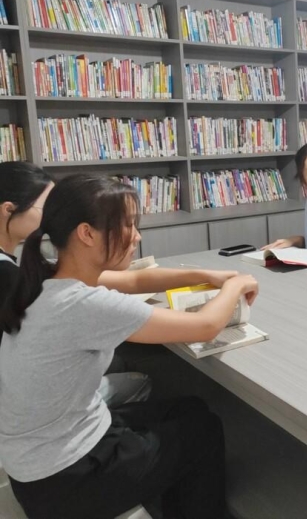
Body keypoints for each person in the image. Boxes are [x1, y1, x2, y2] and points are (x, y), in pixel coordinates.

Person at [0, 174, 259, 518]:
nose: (137, 236)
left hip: (40, 459)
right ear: (87, 233)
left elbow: (137, 279)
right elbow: (206, 326)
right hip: (62, 479)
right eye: (127, 225)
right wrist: (235, 285)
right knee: (203, 432)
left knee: (191, 408)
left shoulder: (49, 277)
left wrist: (209, 275)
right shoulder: (83, 304)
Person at [0, 162, 150, 407]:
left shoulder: (21, 267)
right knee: (135, 376)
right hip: (29, 396)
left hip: (25, 386)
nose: (55, 214)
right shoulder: (8, 276)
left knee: (118, 361)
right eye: (47, 207)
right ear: (9, 209)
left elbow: (129, 280)